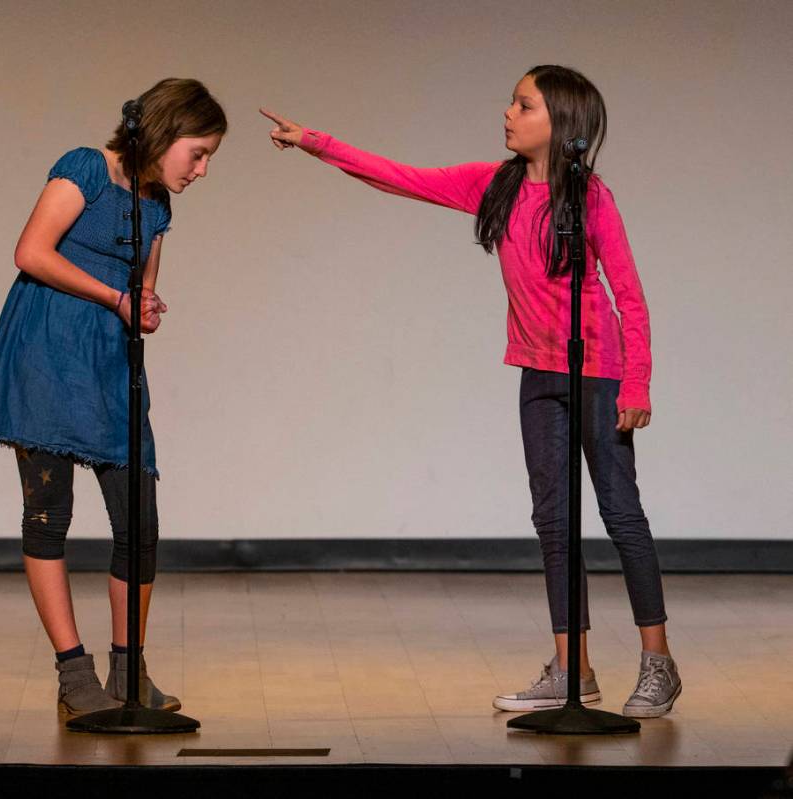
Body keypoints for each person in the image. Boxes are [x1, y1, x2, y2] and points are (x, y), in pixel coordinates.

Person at [260, 64, 680, 718]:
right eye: (512, 102)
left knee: (621, 511)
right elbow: (399, 176)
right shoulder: (494, 186)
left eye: (524, 104)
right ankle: (574, 668)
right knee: (553, 518)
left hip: (598, 368)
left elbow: (629, 295)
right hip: (538, 372)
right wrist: (317, 141)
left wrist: (639, 380)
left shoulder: (591, 198)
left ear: (560, 121)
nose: (508, 113)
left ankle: (658, 664)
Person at [0, 78, 226, 718]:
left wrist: (145, 307)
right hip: (44, 355)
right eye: (198, 152)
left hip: (108, 365)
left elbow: (141, 289)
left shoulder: (158, 207)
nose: (203, 169)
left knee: (139, 523)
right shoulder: (85, 167)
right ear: (163, 134)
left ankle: (128, 669)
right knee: (48, 514)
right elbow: (31, 252)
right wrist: (114, 298)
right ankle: (73, 672)